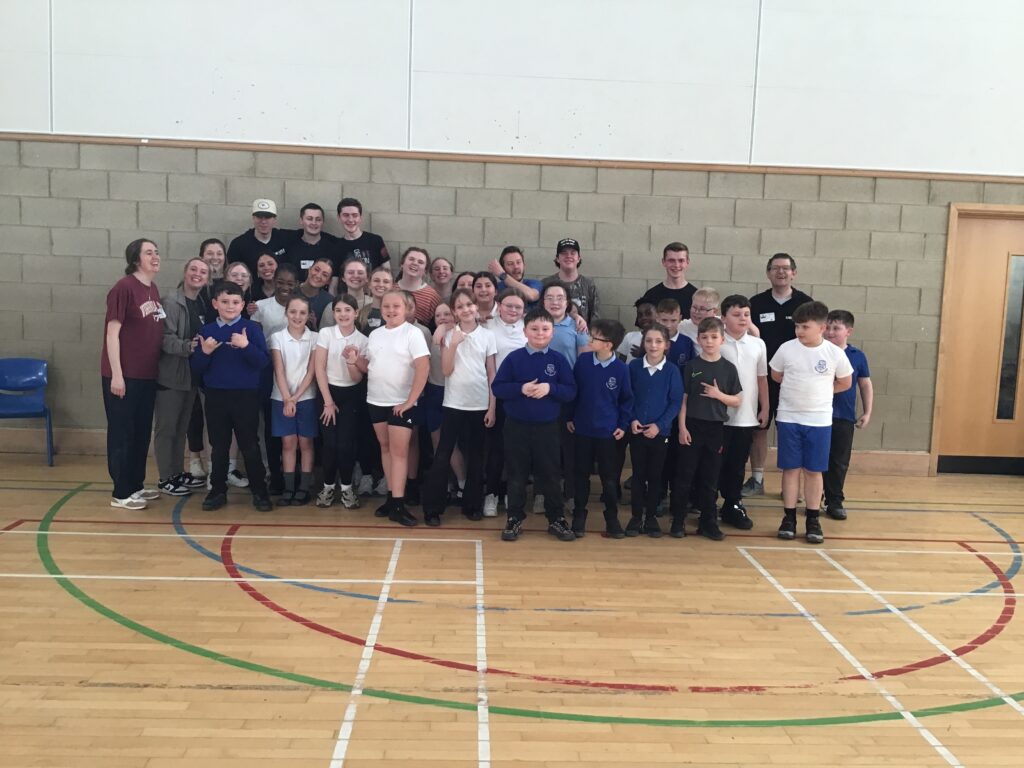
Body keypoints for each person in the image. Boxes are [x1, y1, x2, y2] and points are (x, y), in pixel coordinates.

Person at [769, 301, 853, 544]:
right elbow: (776, 374)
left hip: (819, 421)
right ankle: (789, 518)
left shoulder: (834, 353)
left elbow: (845, 382)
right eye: (797, 326)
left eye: (805, 327)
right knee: (790, 469)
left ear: (822, 328)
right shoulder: (786, 349)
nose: (799, 331)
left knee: (814, 471)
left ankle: (813, 519)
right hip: (789, 418)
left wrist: (822, 392)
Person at [492, 308, 578, 543]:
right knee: (516, 474)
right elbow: (498, 388)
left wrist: (550, 388)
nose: (540, 333)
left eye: (545, 329)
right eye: (534, 328)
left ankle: (556, 519)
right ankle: (514, 518)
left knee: (550, 474)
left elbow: (571, 391)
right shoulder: (514, 358)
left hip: (547, 428)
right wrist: (520, 388)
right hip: (516, 427)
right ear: (525, 331)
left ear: (552, 332)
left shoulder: (558, 360)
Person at [190, 281, 272, 512]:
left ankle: (259, 491)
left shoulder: (251, 329)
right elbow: (196, 368)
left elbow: (263, 362)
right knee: (219, 446)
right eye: (225, 301)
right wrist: (205, 353)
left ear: (242, 305)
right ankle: (217, 491)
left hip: (245, 396)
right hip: (216, 396)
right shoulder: (206, 331)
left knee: (250, 444)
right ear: (215, 303)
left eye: (235, 302)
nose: (230, 306)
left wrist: (245, 346)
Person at [352, 288, 430, 526]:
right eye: (386, 306)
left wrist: (409, 401)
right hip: (376, 400)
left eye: (396, 306)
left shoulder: (413, 333)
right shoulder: (375, 335)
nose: (391, 310)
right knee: (385, 449)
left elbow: (423, 367)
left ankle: (399, 503)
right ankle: (390, 498)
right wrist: (355, 360)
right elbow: (371, 367)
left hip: (400, 403)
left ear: (407, 309)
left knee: (399, 452)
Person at [422, 288, 497, 526]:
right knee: (443, 452)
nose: (465, 310)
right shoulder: (448, 335)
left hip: (479, 403)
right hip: (453, 403)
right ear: (454, 312)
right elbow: (446, 370)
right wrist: (453, 344)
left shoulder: (487, 336)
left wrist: (492, 407)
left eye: (469, 305)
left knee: (476, 455)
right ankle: (433, 508)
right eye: (460, 306)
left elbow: (491, 374)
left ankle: (472, 505)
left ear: (476, 307)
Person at [101, 238, 166, 510]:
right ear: (136, 259)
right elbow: (112, 333)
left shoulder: (153, 289)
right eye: (149, 252)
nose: (155, 256)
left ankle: (136, 485)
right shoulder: (124, 287)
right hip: (124, 375)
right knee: (122, 433)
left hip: (146, 375)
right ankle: (121, 492)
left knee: (140, 433)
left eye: (156, 252)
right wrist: (117, 375)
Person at [744, 253, 813, 496]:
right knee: (759, 428)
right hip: (762, 377)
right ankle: (757, 480)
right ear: (768, 273)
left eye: (785, 268)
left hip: (794, 380)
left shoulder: (805, 304)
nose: (781, 272)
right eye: (775, 268)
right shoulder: (756, 303)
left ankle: (792, 486)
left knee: (793, 432)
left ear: (794, 273)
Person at [671, 317, 742, 540]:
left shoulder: (728, 368)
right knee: (685, 475)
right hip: (692, 426)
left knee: (710, 478)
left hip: (715, 428)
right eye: (704, 337)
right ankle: (678, 521)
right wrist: (682, 428)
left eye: (714, 337)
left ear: (722, 339)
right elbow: (683, 400)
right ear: (699, 339)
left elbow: (737, 400)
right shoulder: (691, 366)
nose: (709, 341)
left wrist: (719, 395)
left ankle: (708, 522)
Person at [567, 319, 633, 539]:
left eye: (594, 337)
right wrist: (570, 417)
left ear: (608, 344)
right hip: (583, 430)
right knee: (580, 475)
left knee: (609, 478)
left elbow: (626, 400)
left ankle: (612, 519)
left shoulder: (621, 369)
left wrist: (622, 425)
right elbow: (574, 392)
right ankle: (579, 515)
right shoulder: (583, 362)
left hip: (607, 432)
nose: (589, 340)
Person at [154, 257, 210, 496]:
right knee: (167, 428)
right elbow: (165, 339)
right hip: (171, 376)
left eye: (203, 272)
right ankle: (165, 477)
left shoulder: (201, 303)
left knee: (181, 428)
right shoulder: (170, 302)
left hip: (191, 377)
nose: (198, 274)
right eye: (193, 269)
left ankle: (176, 472)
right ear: (185, 272)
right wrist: (189, 347)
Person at [717, 295, 768, 530]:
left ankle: (732, 504)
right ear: (723, 317)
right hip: (718, 417)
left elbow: (761, 379)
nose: (743, 319)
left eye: (746, 314)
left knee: (737, 464)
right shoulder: (716, 342)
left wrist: (765, 407)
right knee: (715, 463)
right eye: (736, 314)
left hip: (746, 416)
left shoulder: (758, 344)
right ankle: (707, 504)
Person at [627, 324, 683, 537]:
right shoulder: (633, 367)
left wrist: (659, 425)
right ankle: (635, 517)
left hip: (660, 433)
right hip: (637, 431)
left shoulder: (672, 371)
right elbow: (627, 396)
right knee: (638, 475)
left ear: (666, 345)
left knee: (655, 476)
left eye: (658, 341)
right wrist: (632, 419)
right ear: (643, 343)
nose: (653, 345)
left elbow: (675, 402)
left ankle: (650, 518)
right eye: (649, 340)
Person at [314, 294, 369, 509]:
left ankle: (346, 488)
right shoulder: (326, 333)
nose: (343, 314)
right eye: (338, 310)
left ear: (356, 313)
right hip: (327, 393)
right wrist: (328, 401)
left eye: (347, 310)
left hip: (351, 396)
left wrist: (351, 362)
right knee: (329, 444)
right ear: (333, 313)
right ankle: (327, 487)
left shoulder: (363, 340)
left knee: (346, 445)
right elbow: (319, 368)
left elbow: (357, 379)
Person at [251, 264, 300, 493]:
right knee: (271, 425)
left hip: (296, 373)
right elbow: (255, 341)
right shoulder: (261, 307)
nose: (284, 287)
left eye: (290, 283)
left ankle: (294, 474)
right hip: (268, 371)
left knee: (294, 426)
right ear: (274, 281)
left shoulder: (300, 307)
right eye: (280, 282)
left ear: (296, 285)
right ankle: (274, 474)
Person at [822, 310, 873, 521]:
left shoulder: (857, 356)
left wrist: (867, 412)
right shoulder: (817, 352)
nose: (830, 332)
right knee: (818, 460)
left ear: (848, 332)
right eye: (828, 327)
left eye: (836, 328)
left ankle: (834, 500)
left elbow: (865, 384)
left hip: (843, 417)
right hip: (818, 415)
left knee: (839, 461)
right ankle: (814, 498)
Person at [269, 295, 318, 505]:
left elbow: (311, 372)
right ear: (286, 313)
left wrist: (296, 398)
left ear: (309, 315)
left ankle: (304, 488)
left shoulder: (315, 338)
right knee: (288, 443)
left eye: (302, 313)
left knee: (306, 443)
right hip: (281, 397)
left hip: (306, 397)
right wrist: (287, 399)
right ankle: (288, 488)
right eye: (293, 312)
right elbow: (279, 370)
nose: (297, 316)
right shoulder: (277, 337)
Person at [483, 289, 527, 517]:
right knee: (496, 449)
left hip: (522, 397)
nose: (513, 310)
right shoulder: (487, 327)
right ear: (499, 306)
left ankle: (513, 493)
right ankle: (491, 493)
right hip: (496, 396)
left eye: (518, 307)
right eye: (509, 305)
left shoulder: (528, 328)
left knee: (516, 450)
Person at [334, 197, 390, 289]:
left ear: (360, 218)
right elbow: (334, 282)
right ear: (339, 218)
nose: (350, 220)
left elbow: (388, 272)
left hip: (373, 295)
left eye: (355, 215)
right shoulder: (336, 246)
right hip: (347, 296)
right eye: (346, 215)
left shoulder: (376, 240)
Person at [227, 199, 290, 277]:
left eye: (268, 217)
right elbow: (231, 274)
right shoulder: (239, 244)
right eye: (259, 217)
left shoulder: (285, 238)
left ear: (274, 219)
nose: (263, 221)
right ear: (253, 218)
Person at [544, 238, 599, 327]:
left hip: (582, 333)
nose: (568, 256)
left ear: (578, 258)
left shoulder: (589, 285)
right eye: (564, 253)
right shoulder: (546, 283)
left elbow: (595, 316)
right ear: (557, 258)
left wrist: (590, 334)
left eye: (573, 253)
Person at [635, 242, 696, 319]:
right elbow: (643, 324)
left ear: (687, 262)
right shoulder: (651, 295)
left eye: (681, 260)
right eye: (671, 260)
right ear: (664, 262)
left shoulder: (696, 297)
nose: (676, 265)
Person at [283, 202, 338, 281]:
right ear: (301, 220)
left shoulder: (332, 247)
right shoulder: (291, 246)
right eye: (309, 219)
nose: (314, 223)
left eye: (318, 219)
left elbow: (335, 277)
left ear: (323, 222)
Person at [321, 258, 373, 328]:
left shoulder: (374, 304)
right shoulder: (332, 306)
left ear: (367, 278)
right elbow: (324, 333)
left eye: (360, 273)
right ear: (343, 278)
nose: (355, 276)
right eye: (350, 272)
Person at [395, 247, 441, 326]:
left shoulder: (432, 297)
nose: (415, 263)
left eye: (420, 262)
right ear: (402, 264)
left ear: (425, 270)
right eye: (411, 259)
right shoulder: (390, 289)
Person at [296, 257, 334, 329]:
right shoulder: (291, 291)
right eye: (316, 270)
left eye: (325, 275)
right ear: (309, 269)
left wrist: (314, 325)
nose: (318, 276)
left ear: (328, 281)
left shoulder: (329, 302)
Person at [357, 265, 393, 334]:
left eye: (386, 282)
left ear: (392, 286)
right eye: (376, 280)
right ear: (369, 284)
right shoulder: (362, 314)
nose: (381, 284)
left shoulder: (396, 313)